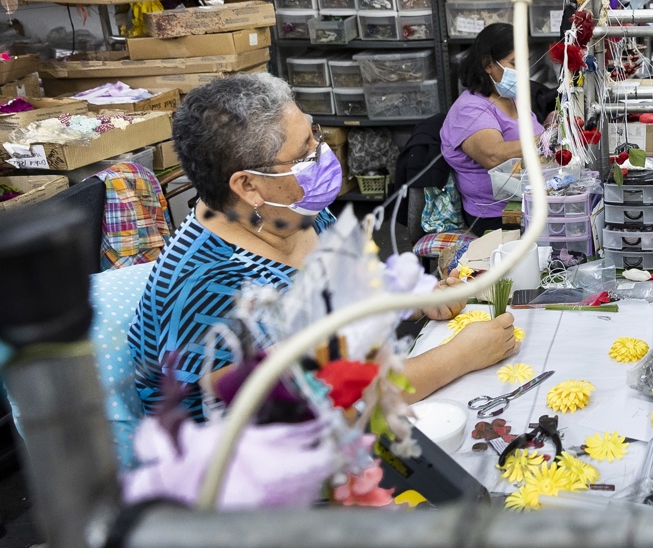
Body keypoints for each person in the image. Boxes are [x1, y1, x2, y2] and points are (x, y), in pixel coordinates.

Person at [127, 73, 517, 421]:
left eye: (315, 135)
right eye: (304, 155)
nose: (323, 154)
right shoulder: (212, 284)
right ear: (248, 186)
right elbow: (331, 403)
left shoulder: (293, 212)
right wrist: (459, 357)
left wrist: (414, 299)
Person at [441, 23, 543, 236]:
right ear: (488, 64)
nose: (522, 72)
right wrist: (545, 139)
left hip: (527, 199)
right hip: (495, 216)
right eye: (514, 63)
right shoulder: (469, 110)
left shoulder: (512, 97)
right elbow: (494, 155)